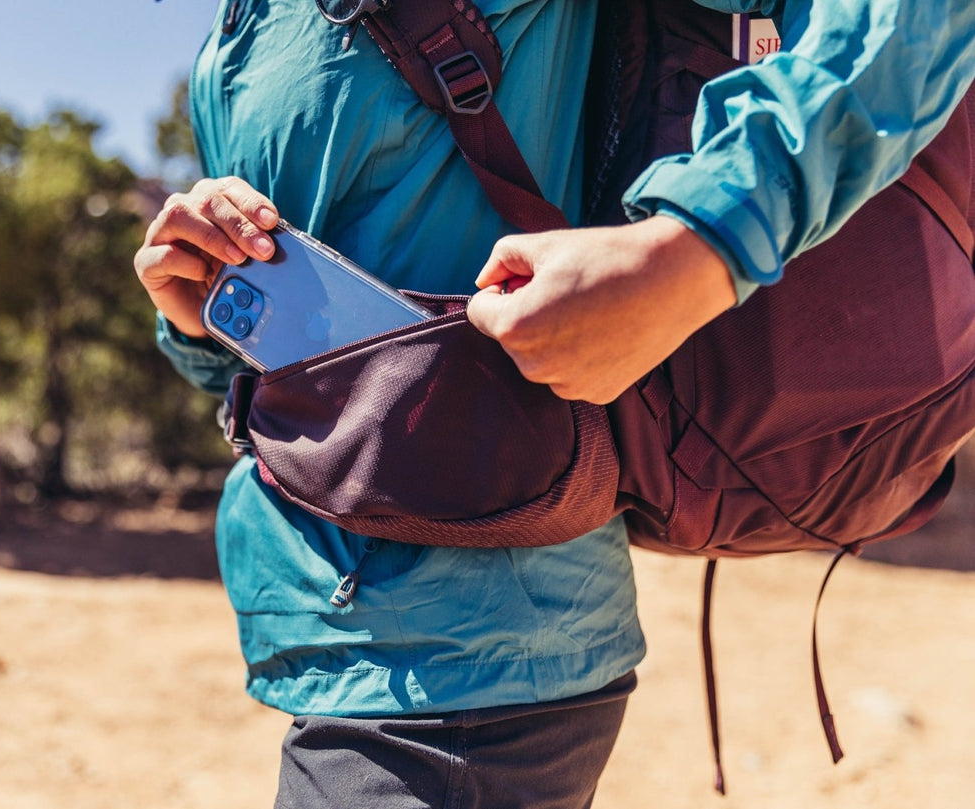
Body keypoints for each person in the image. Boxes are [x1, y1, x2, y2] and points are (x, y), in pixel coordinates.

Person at [134, 0, 975, 805]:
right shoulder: (236, 33)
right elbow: (288, 384)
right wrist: (199, 314)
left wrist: (696, 248)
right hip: (321, 626)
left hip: (476, 655)